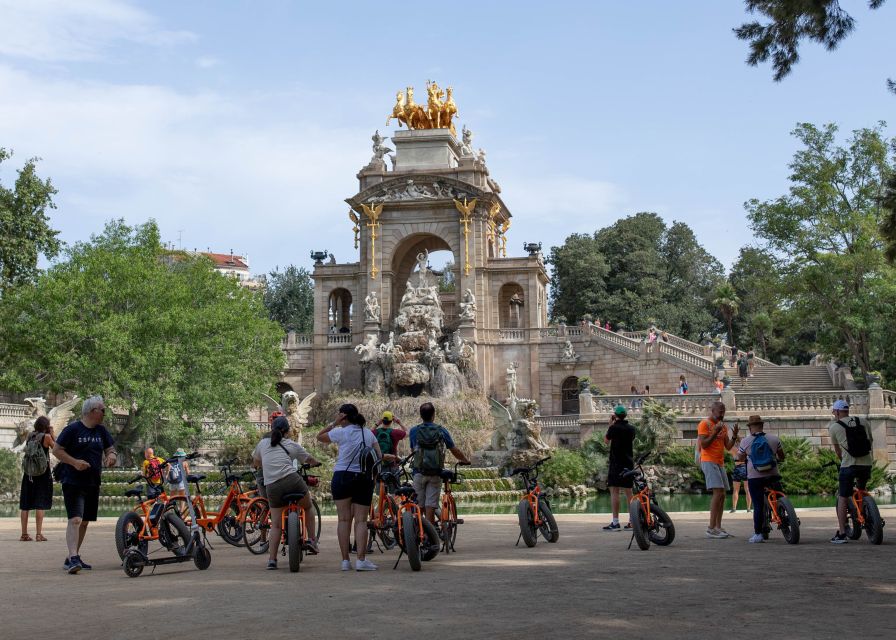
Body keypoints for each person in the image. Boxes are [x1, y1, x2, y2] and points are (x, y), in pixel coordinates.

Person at [52, 395, 117, 573]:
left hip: (93, 481)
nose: (104, 413)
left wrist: (111, 456)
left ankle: (72, 557)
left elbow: (110, 449)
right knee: (75, 519)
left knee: (85, 521)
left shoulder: (101, 431)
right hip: (73, 481)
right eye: (102, 410)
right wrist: (74, 462)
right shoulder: (72, 430)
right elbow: (57, 450)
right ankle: (73, 557)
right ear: (91, 411)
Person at [317, 404, 383, 571]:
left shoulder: (340, 432)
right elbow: (378, 456)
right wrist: (374, 477)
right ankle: (361, 560)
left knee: (343, 520)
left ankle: (345, 561)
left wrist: (334, 422)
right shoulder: (368, 433)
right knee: (361, 520)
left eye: (340, 415)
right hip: (363, 478)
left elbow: (320, 436)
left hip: (342, 477)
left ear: (343, 417)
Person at [253, 416, 320, 569]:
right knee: (308, 506)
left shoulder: (263, 443)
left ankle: (272, 560)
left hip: (272, 487)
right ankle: (312, 540)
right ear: (288, 431)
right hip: (292, 481)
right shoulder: (291, 444)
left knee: (276, 525)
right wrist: (315, 463)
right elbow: (308, 459)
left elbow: (256, 463)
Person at [409, 402, 470, 526]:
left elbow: (413, 451)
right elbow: (454, 450)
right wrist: (465, 460)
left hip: (418, 472)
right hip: (435, 473)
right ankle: (430, 538)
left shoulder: (414, 431)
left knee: (419, 506)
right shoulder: (441, 430)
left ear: (421, 415)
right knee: (430, 505)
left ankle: (418, 533)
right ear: (433, 415)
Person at [828, 399, 874, 544]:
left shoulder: (834, 426)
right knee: (862, 488)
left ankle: (842, 533)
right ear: (847, 410)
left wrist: (843, 459)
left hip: (849, 465)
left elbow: (837, 451)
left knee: (843, 496)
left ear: (836, 412)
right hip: (866, 463)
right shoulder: (863, 421)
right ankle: (866, 511)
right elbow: (870, 441)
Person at [737, 414, 785, 543]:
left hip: (755, 477)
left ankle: (758, 534)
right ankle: (785, 515)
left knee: (758, 505)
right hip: (773, 474)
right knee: (780, 496)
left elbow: (740, 459)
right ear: (762, 426)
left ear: (750, 427)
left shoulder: (745, 442)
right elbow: (782, 457)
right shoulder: (774, 439)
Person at [698, 401, 737, 539]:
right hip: (708, 460)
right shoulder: (705, 424)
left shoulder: (723, 426)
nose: (722, 414)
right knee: (718, 492)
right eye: (720, 411)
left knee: (723, 494)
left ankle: (718, 527)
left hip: (720, 462)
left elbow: (728, 446)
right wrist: (715, 432)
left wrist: (734, 436)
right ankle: (710, 528)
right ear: (713, 410)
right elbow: (704, 444)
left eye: (723, 411)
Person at [19, 416, 55, 542]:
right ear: (46, 426)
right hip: (42, 474)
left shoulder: (30, 436)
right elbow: (56, 449)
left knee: (25, 505)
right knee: (40, 504)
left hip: (29, 472)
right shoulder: (47, 437)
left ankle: (24, 534)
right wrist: (52, 434)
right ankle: (39, 535)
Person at [602, 406, 637, 531]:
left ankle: (615, 522)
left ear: (615, 416)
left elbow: (606, 441)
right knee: (629, 492)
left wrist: (610, 424)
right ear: (625, 416)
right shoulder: (632, 429)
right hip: (628, 463)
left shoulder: (613, 428)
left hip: (616, 463)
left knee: (614, 491)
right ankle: (633, 522)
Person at [728, 439, 752, 514]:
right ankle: (748, 509)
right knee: (747, 489)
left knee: (736, 490)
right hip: (745, 468)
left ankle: (734, 508)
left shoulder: (733, 449)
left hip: (737, 468)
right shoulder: (746, 449)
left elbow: (726, 449)